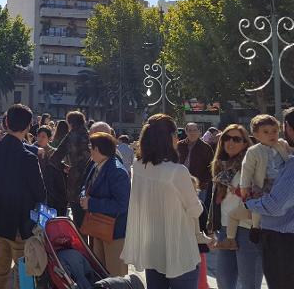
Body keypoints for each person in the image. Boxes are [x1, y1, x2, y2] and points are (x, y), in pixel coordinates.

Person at [121, 114, 203, 289]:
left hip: (153, 247)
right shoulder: (177, 171)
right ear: (170, 138)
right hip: (179, 247)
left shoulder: (138, 165)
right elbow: (195, 210)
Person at [0, 104, 46, 289]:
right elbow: (40, 193)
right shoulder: (28, 158)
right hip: (19, 225)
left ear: (6, 122)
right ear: (28, 126)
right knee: (24, 273)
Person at [207, 124, 263, 289]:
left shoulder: (253, 163)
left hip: (247, 228)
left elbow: (260, 192)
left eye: (236, 139)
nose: (230, 142)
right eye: (226, 138)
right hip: (225, 227)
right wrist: (211, 228)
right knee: (224, 281)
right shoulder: (220, 165)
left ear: (245, 143)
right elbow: (215, 201)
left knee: (249, 284)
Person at [245, 107, 294, 289]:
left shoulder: (292, 165)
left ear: (287, 127)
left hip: (283, 242)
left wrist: (249, 201)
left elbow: (275, 206)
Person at [77, 132, 130, 277]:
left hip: (114, 233)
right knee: (101, 273)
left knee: (116, 276)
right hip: (99, 228)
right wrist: (84, 197)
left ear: (99, 149)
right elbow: (86, 186)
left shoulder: (117, 171)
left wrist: (91, 203)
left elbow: (121, 205)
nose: (90, 150)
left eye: (91, 147)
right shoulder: (97, 165)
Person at [49, 111, 91, 227]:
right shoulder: (90, 135)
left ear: (70, 123)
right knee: (92, 223)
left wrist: (65, 167)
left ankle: (81, 244)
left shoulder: (72, 135)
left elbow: (55, 159)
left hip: (75, 182)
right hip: (92, 181)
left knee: (78, 222)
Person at [178, 123, 214, 203]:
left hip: (199, 186)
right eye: (189, 130)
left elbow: (212, 167)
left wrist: (203, 182)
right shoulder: (179, 145)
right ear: (186, 132)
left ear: (199, 132)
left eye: (195, 130)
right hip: (180, 184)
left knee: (198, 211)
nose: (192, 133)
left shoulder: (206, 148)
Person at [37, 125, 67, 216]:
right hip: (38, 186)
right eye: (39, 136)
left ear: (49, 138)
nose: (40, 139)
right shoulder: (33, 150)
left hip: (52, 188)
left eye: (43, 136)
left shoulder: (54, 152)